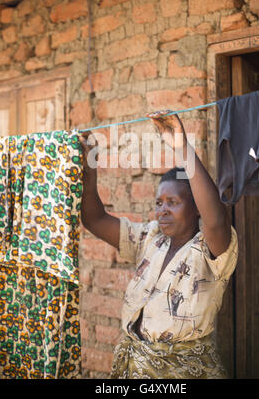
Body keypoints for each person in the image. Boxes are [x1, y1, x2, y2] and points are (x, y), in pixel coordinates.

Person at [79, 110, 238, 379]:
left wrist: (181, 148)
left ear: (196, 207)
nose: (162, 210)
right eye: (158, 203)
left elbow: (217, 219)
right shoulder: (150, 239)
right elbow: (94, 219)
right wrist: (89, 169)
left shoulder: (211, 250)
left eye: (173, 203)